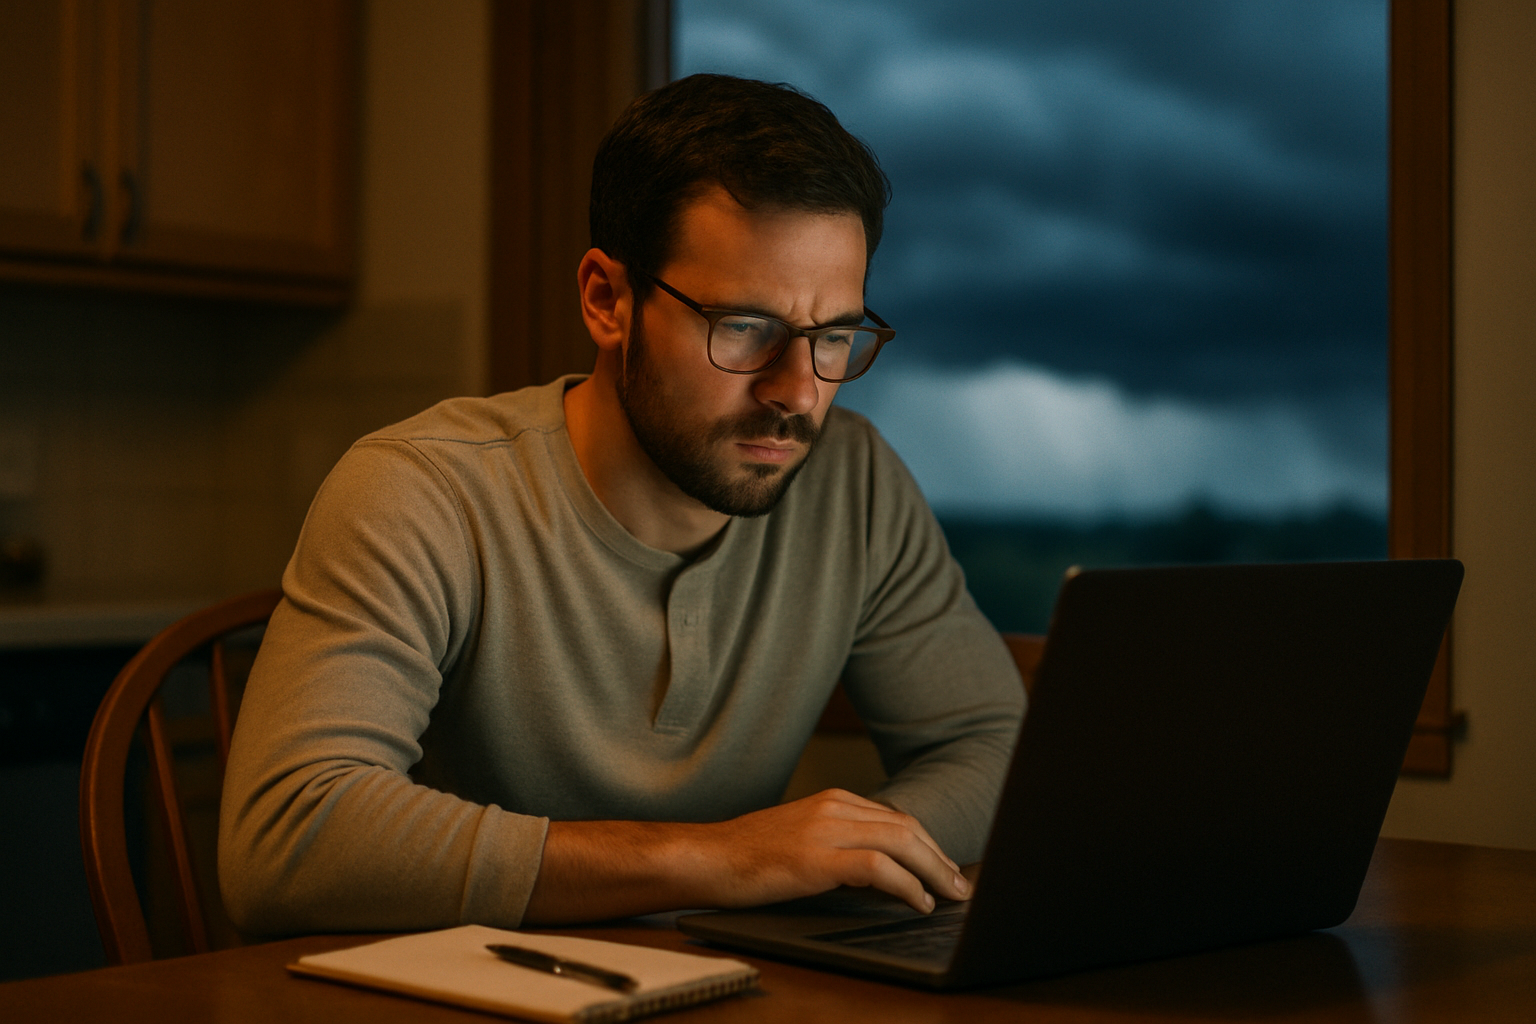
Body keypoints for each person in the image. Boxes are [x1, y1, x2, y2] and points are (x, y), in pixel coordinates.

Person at [219, 74, 1024, 935]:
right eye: (745, 326)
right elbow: (289, 837)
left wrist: (846, 856)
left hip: (718, 987)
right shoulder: (421, 491)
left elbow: (997, 752)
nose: (799, 393)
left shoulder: (853, 483)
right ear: (608, 300)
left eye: (834, 336)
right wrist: (723, 861)